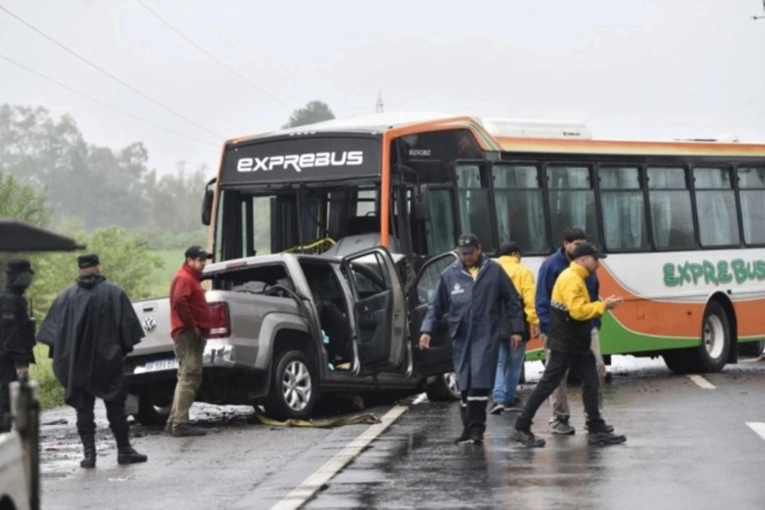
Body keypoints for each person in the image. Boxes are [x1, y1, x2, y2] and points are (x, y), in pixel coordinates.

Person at [37, 254, 147, 468]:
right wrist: (119, 353)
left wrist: (67, 360)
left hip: (75, 363)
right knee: (116, 407)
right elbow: (128, 334)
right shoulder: (114, 293)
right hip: (108, 362)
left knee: (83, 409)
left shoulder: (64, 298)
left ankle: (89, 455)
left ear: (79, 269)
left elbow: (53, 339)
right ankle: (124, 450)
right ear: (98, 267)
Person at [511, 243, 626, 447]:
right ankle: (522, 426)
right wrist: (604, 306)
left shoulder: (575, 276)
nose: (598, 263)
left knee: (591, 379)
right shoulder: (572, 279)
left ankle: (595, 426)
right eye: (595, 259)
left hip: (573, 342)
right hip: (566, 343)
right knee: (548, 384)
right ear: (582, 260)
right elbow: (577, 311)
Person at [419, 234, 525, 444]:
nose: (466, 257)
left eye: (470, 253)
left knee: (479, 380)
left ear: (479, 249)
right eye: (462, 254)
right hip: (460, 335)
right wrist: (426, 330)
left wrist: (517, 329)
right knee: (464, 382)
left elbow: (512, 300)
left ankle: (477, 428)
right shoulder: (450, 274)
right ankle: (468, 428)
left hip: (486, 333)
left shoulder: (494, 271)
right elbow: (435, 306)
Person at [535, 227, 609, 435]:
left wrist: (596, 322)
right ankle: (560, 417)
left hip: (586, 329)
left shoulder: (590, 269)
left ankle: (594, 416)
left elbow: (593, 297)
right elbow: (542, 298)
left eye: (582, 244)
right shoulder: (551, 266)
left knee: (597, 369)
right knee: (557, 376)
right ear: (565, 244)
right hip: (559, 331)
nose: (579, 248)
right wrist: (546, 327)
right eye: (575, 244)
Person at [166, 246, 212, 437]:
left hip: (187, 334)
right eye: (200, 260)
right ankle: (180, 424)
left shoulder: (189, 278)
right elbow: (180, 302)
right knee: (190, 377)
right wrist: (193, 327)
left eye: (204, 260)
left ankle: (173, 420)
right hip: (188, 336)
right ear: (189, 260)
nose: (203, 264)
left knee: (184, 377)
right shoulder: (185, 278)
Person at [490, 242, 539, 415]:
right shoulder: (522, 271)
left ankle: (497, 398)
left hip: (495, 322)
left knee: (498, 361)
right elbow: (529, 300)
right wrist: (534, 321)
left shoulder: (491, 270)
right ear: (515, 254)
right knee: (515, 362)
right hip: (516, 322)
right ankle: (510, 398)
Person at [0, 259, 36, 432]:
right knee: (8, 397)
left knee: (12, 397)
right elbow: (11, 334)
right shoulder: (9, 300)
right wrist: (20, 363)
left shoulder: (16, 299)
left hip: (11, 358)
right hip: (8, 360)